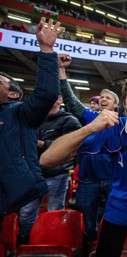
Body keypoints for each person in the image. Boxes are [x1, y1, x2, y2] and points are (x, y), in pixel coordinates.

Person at [40, 74, 127, 257]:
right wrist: (89, 128)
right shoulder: (113, 129)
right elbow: (47, 159)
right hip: (118, 209)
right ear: (124, 104)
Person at [0, 17, 64, 237]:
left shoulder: (18, 112)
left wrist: (46, 49)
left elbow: (47, 94)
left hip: (13, 192)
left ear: (13, 94)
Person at [58, 54, 119, 244]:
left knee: (111, 222)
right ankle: (89, 253)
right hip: (88, 180)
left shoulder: (123, 122)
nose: (103, 99)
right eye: (101, 97)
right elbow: (70, 99)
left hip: (112, 179)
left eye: (107, 98)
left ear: (116, 104)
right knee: (88, 224)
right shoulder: (89, 116)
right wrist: (61, 71)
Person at [37, 95, 82, 210]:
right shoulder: (35, 119)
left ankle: (52, 228)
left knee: (54, 207)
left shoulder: (69, 120)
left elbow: (71, 145)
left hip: (56, 173)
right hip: (34, 172)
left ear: (60, 100)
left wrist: (43, 144)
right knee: (27, 210)